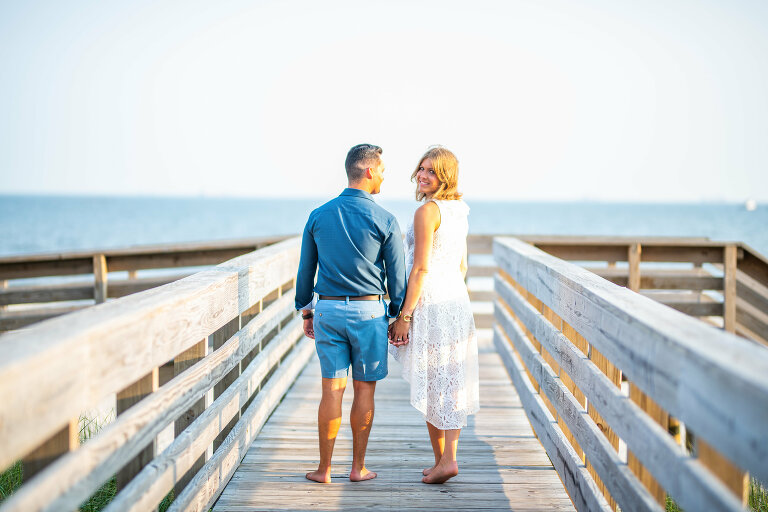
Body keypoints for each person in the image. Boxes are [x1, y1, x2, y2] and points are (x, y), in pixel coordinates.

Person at [296, 143, 407, 484]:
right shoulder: (385, 219)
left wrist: (306, 312)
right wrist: (397, 314)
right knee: (364, 391)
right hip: (369, 313)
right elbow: (398, 277)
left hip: (327, 309)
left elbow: (305, 272)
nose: (384, 177)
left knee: (331, 390)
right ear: (370, 170)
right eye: (383, 170)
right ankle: (357, 469)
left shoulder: (318, 215)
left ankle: (324, 470)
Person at [388, 146, 480, 484]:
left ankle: (447, 460)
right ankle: (444, 459)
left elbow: (420, 267)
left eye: (432, 171)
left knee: (432, 378)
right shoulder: (459, 210)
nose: (423, 175)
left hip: (431, 300)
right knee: (449, 377)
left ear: (446, 177)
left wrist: (405, 315)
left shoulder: (427, 211)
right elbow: (462, 264)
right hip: (456, 298)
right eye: (422, 168)